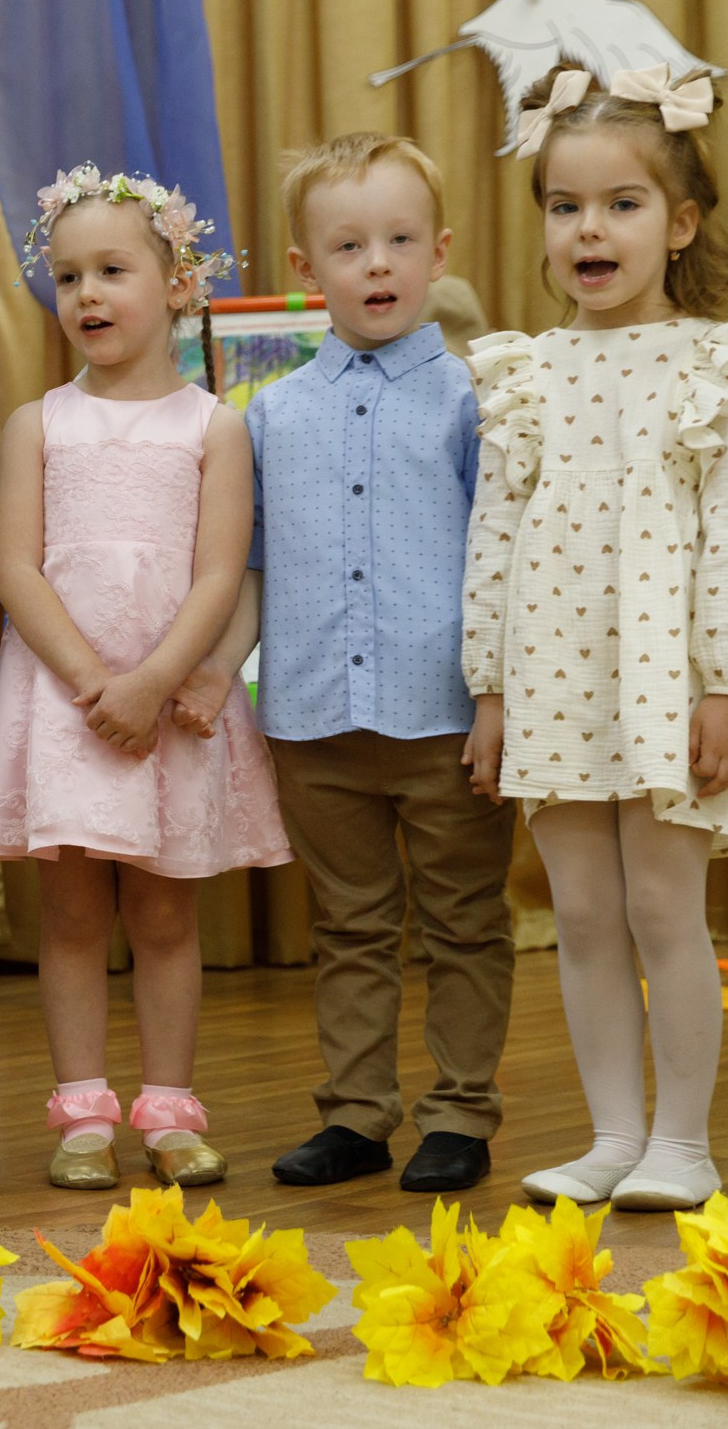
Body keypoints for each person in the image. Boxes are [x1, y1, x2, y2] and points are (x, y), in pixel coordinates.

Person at [466, 61, 728, 1211]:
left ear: (681, 221)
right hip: (551, 677)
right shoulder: (521, 373)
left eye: (621, 204)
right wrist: (490, 690)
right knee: (584, 915)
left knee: (662, 908)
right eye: (565, 207)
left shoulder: (720, 366)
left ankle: (684, 1146)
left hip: (667, 678)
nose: (589, 229)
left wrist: (726, 686)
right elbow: (494, 539)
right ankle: (612, 1134)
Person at [193, 135, 517, 1195]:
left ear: (439, 252)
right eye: (347, 245)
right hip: (314, 720)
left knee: (466, 922)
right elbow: (249, 569)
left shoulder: (476, 401)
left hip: (443, 717)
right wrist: (221, 683)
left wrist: (496, 702)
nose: (375, 264)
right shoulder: (269, 416)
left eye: (398, 241)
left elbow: (505, 561)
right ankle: (355, 1114)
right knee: (349, 925)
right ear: (304, 269)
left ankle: (460, 1112)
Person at [0, 163, 290, 1192]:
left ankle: (167, 1107)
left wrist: (152, 682)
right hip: (66, 707)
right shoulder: (37, 424)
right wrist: (89, 683)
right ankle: (79, 1114)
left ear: (178, 285)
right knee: (66, 919)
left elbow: (217, 571)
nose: (87, 296)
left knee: (162, 918)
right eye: (68, 278)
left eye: (112, 270)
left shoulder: (214, 427)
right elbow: (15, 567)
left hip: (165, 707)